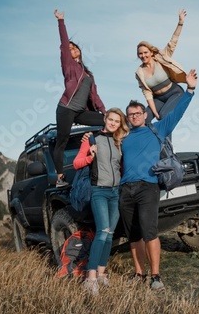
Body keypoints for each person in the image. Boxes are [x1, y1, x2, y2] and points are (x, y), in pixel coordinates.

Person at [119, 68, 198, 290]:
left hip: (148, 187)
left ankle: (155, 276)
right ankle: (138, 274)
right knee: (133, 236)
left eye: (137, 113)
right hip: (126, 189)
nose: (134, 117)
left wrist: (189, 90)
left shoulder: (158, 129)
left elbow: (177, 113)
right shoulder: (123, 137)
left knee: (149, 232)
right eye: (130, 114)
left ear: (145, 114)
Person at [72, 108, 130, 296]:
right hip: (99, 191)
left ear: (120, 124)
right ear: (105, 119)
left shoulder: (119, 141)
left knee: (110, 233)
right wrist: (90, 155)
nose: (113, 123)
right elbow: (76, 163)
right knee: (102, 232)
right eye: (110, 119)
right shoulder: (92, 139)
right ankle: (90, 278)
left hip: (115, 192)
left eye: (117, 121)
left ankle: (102, 273)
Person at [53, 9, 106, 188]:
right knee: (62, 140)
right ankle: (60, 177)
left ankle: (99, 152)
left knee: (107, 122)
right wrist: (61, 21)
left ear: (80, 51)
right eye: (70, 48)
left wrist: (105, 112)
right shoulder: (68, 65)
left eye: (75, 47)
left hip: (81, 112)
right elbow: (63, 43)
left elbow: (94, 96)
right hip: (66, 109)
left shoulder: (87, 73)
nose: (72, 49)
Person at [135, 9, 188, 125]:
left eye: (145, 52)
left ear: (151, 52)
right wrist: (154, 112)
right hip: (158, 98)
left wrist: (180, 23)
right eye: (140, 53)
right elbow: (147, 93)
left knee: (164, 117)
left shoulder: (161, 58)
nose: (143, 55)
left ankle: (166, 144)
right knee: (144, 120)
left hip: (174, 92)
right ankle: (147, 142)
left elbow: (172, 42)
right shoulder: (139, 72)